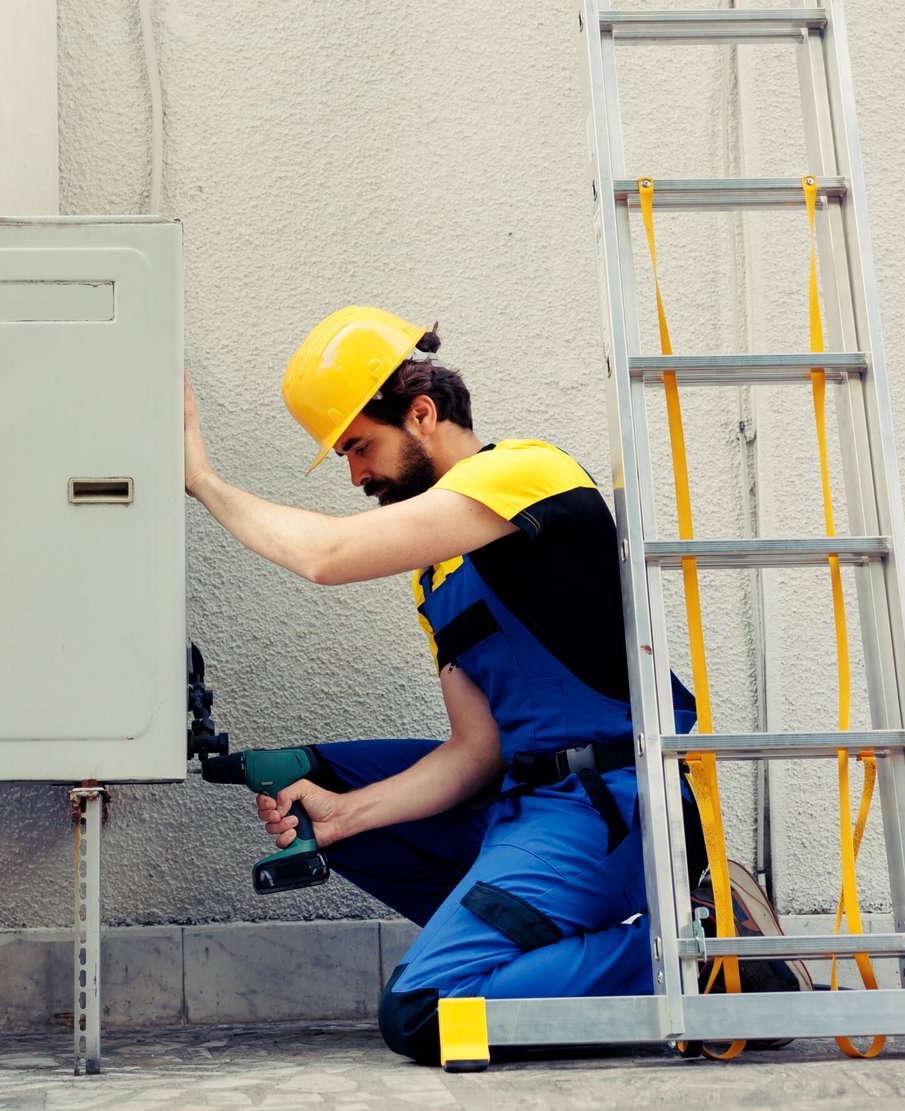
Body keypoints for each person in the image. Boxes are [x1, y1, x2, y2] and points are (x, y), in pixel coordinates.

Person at [182, 305, 704, 1063]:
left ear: (423, 413)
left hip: (611, 804)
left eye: (360, 446)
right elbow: (475, 751)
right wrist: (342, 816)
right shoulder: (439, 572)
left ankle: (704, 952)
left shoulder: (528, 473)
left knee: (427, 1014)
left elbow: (326, 555)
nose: (356, 475)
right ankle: (540, 949)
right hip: (523, 803)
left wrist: (202, 482)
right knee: (310, 786)